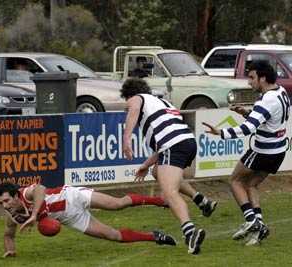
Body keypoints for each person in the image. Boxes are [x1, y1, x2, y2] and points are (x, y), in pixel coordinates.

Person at [203, 60, 290, 246]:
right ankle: (260, 227)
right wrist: (247, 112)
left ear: (263, 78)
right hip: (279, 151)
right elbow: (268, 119)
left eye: (252, 78)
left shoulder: (267, 99)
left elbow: (249, 128)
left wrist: (221, 133)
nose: (249, 82)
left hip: (263, 150)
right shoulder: (281, 92)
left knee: (235, 181)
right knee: (251, 185)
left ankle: (251, 221)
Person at [121, 78, 205, 255]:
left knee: (169, 193)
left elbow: (134, 108)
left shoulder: (136, 98)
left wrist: (126, 139)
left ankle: (190, 233)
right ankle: (200, 201)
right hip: (188, 143)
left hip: (173, 146)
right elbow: (167, 140)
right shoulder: (163, 103)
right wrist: (145, 165)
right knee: (158, 172)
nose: (127, 105)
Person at [0, 182, 176, 258]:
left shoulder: (25, 193)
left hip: (72, 196)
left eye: (7, 200)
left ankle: (160, 201)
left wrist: (34, 216)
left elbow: (40, 188)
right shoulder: (14, 216)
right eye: (1, 203)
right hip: (71, 217)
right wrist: (11, 251)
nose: (5, 205)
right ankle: (154, 236)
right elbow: (9, 235)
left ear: (16, 195)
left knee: (116, 204)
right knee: (112, 236)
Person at [135, 156, 217, 218]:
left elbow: (159, 149)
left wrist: (146, 165)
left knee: (162, 173)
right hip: (181, 143)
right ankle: (203, 201)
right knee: (159, 172)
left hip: (177, 144)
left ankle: (188, 226)